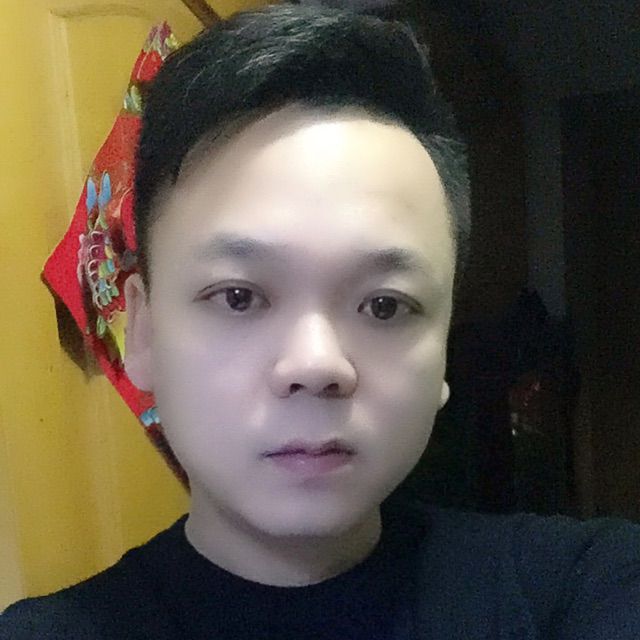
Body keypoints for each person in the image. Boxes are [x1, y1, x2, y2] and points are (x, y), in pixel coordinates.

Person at [2, 3, 639, 638]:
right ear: (142, 332)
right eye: (238, 296)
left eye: (384, 305)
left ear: (444, 344)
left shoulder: (587, 587)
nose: (316, 365)